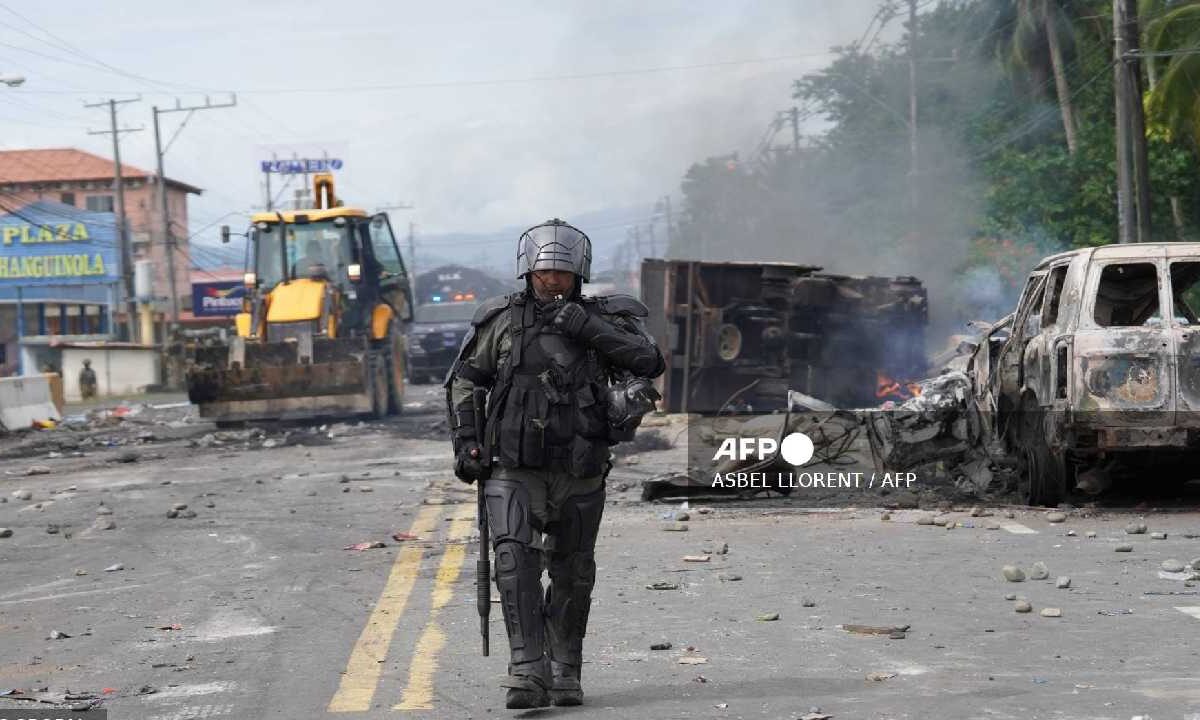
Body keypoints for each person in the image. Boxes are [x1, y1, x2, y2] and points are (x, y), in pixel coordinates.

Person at [445, 219, 664, 709]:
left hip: (581, 465)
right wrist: (466, 442)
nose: (552, 280)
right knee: (515, 562)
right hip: (513, 465)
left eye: (562, 273)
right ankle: (526, 671)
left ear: (578, 274)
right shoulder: (501, 319)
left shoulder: (605, 319)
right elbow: (464, 381)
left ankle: (566, 670)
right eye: (545, 271)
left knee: (573, 571)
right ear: (529, 270)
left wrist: (591, 330)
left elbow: (650, 364)